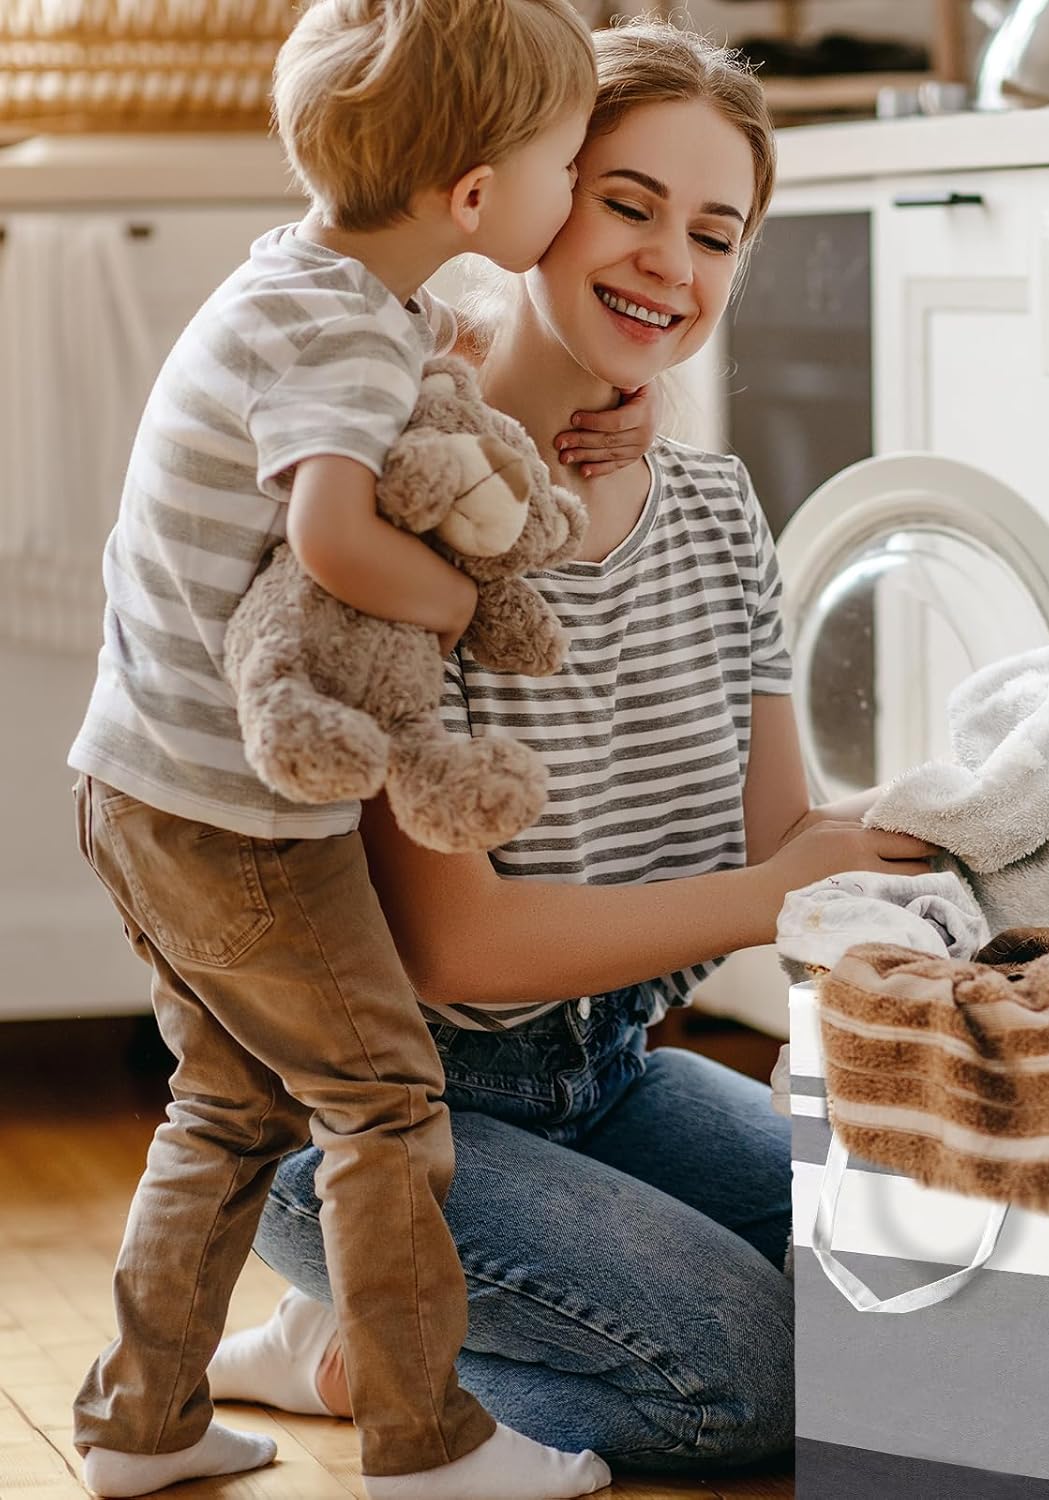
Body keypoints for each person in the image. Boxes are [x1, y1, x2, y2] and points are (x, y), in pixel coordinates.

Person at [207, 19, 932, 1475]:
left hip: (610, 1073)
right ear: (530, 196)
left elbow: (774, 840)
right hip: (386, 1117)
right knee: (751, 1387)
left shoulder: (719, 514)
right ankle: (370, 1324)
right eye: (628, 204)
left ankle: (359, 1336)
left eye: (716, 234)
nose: (672, 262)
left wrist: (935, 843)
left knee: (906, 1286)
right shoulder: (417, 511)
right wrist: (778, 894)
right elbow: (458, 950)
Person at [64, 2, 620, 1496]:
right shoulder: (344, 334)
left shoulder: (300, 280)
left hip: (139, 785)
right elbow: (330, 532)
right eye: (569, 164)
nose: (576, 189)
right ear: (474, 195)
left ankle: (141, 1424)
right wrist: (456, 603)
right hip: (237, 819)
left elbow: (372, 390)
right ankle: (425, 1446)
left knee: (227, 1104)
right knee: (383, 1103)